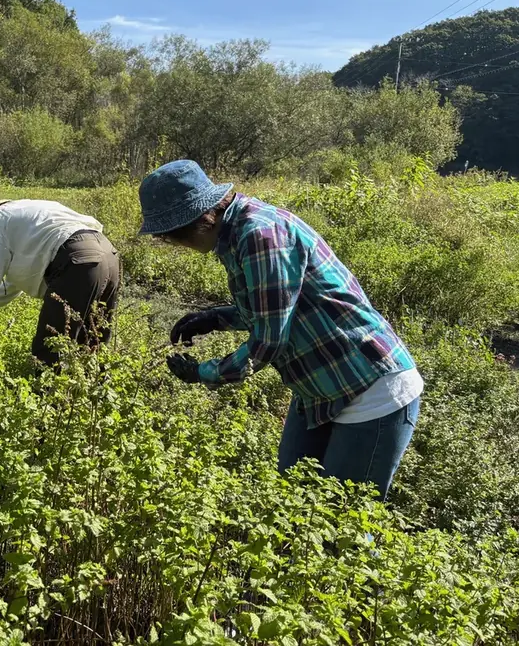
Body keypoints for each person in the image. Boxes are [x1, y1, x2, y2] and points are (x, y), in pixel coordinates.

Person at [138, 160, 422, 500]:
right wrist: (216, 318)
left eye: (172, 236)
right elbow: (275, 305)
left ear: (199, 220)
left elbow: (269, 341)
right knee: (292, 499)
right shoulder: (236, 234)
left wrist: (204, 372)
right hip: (322, 387)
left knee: (342, 521)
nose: (174, 244)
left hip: (369, 387)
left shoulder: (260, 235)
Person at [0, 193, 121, 366]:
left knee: (49, 350)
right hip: (109, 256)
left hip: (77, 262)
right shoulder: (22, 212)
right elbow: (12, 283)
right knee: (92, 344)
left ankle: (48, 397)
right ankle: (91, 396)